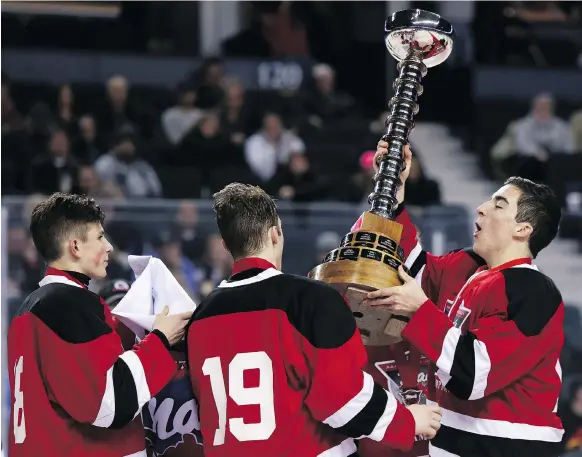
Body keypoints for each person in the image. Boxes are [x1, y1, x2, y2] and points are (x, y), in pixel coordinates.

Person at [185, 183, 442, 457]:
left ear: (226, 244)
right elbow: (342, 400)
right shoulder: (310, 299)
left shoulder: (200, 316)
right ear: (276, 234)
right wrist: (407, 421)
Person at [361, 141, 565, 457]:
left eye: (499, 205)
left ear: (523, 229)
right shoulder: (466, 265)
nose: (482, 207)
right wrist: (393, 190)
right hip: (451, 438)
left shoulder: (534, 292)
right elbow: (407, 270)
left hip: (509, 447)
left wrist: (420, 309)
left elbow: (472, 377)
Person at [8, 193, 192, 457]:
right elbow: (110, 404)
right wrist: (161, 339)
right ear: (75, 246)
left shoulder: (27, 311)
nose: (108, 247)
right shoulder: (69, 303)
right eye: (99, 237)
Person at [97, 279, 204, 457]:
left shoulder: (183, 357)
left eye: (128, 306)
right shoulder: (106, 366)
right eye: (115, 307)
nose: (126, 317)